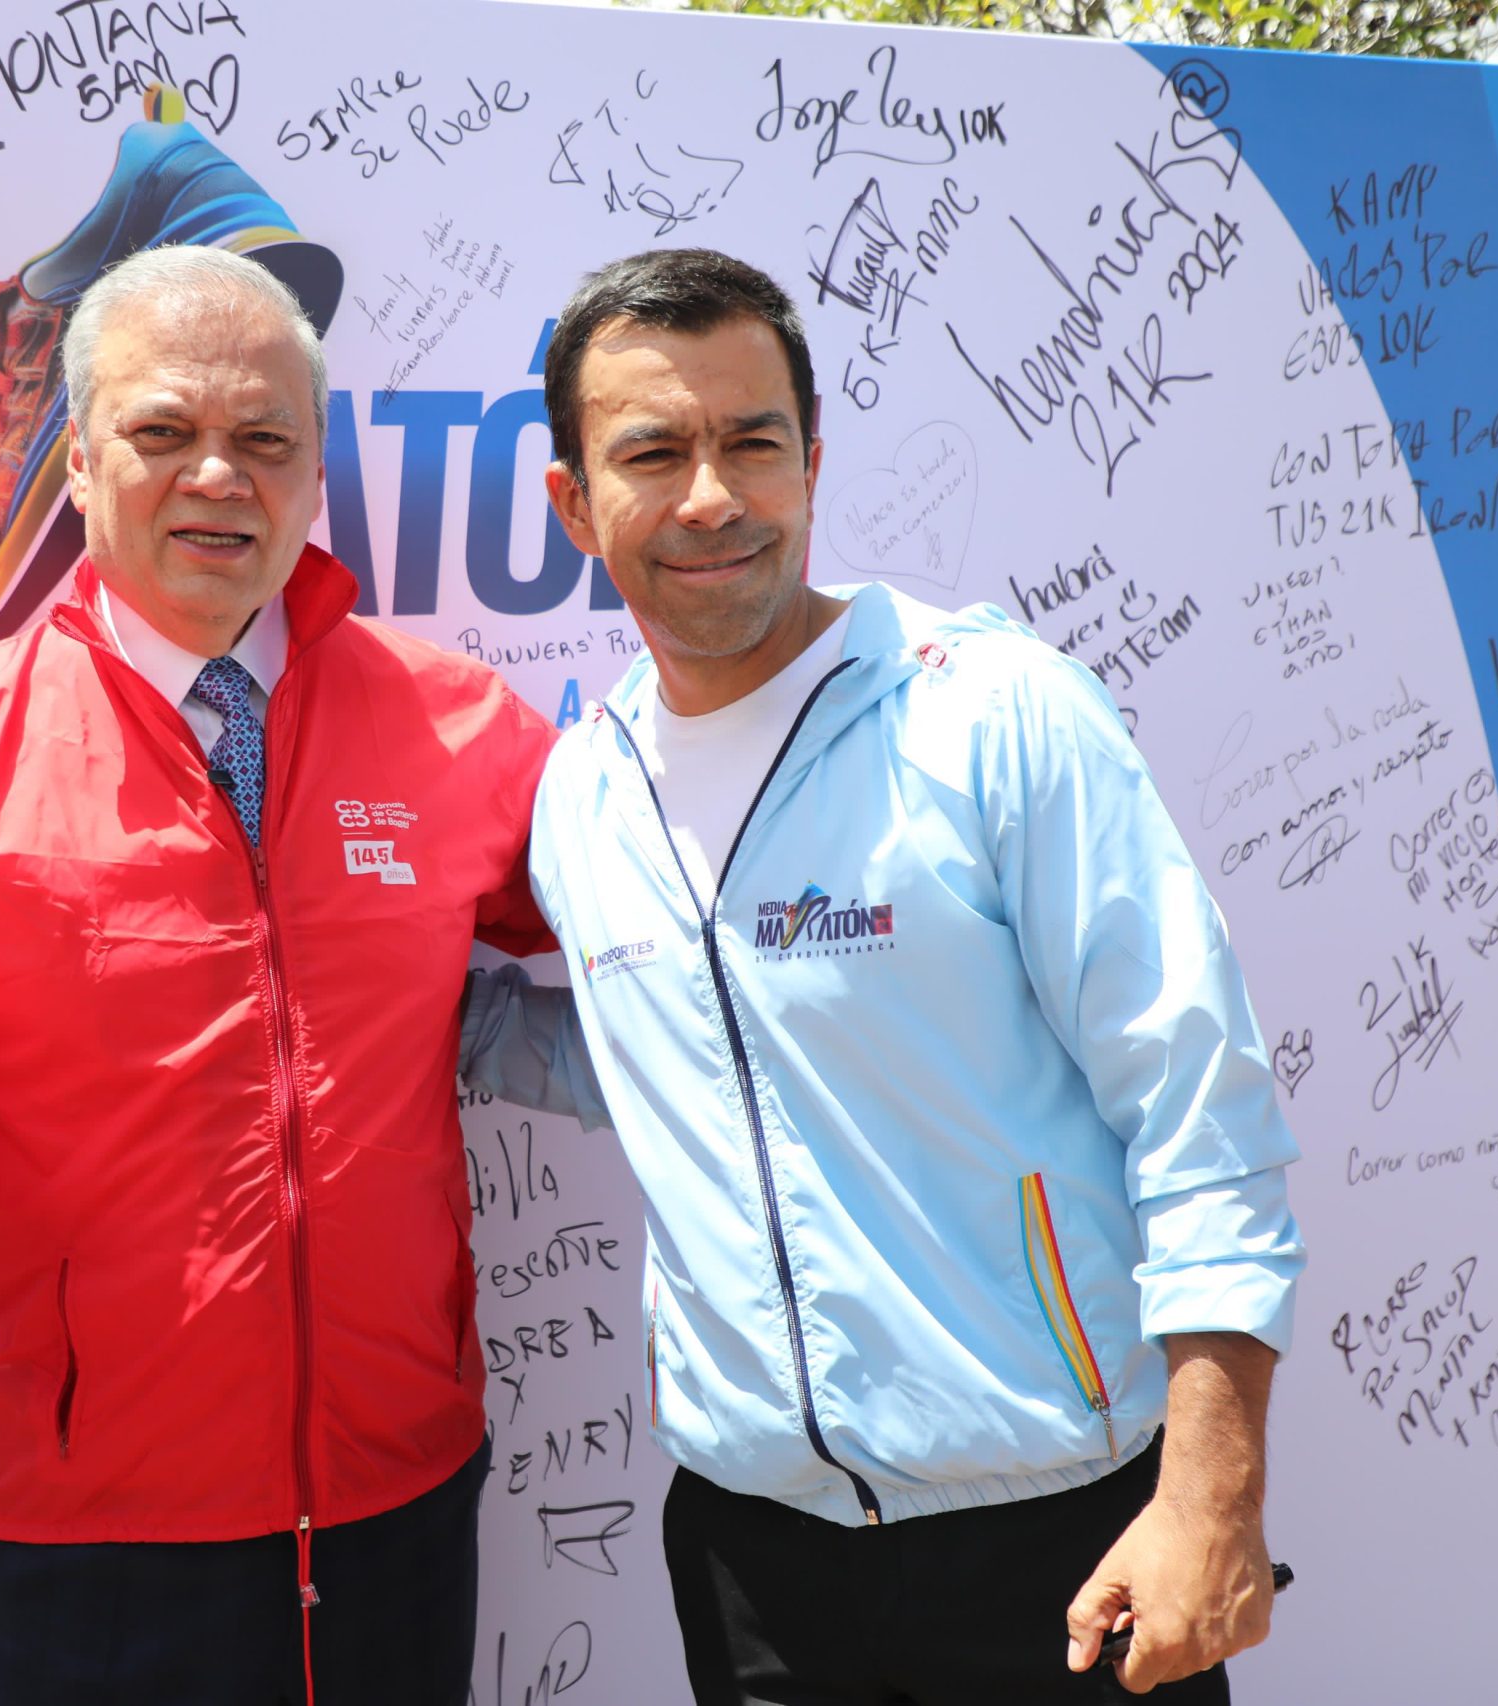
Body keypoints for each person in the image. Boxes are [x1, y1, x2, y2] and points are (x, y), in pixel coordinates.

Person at [0, 243, 558, 1706]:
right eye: (165, 433)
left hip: (398, 1507)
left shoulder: (460, 727)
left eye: (265, 439)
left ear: (314, 476)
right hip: (91, 1543)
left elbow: (663, 935)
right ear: (80, 464)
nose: (219, 475)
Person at [459, 248, 1306, 1702]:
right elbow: (681, 1052)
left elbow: (1198, 1103)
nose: (714, 495)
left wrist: (1211, 1496)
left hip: (1056, 1543)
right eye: (654, 452)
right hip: (750, 1563)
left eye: (753, 441)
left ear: (811, 460)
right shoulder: (579, 797)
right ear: (573, 504)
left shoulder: (989, 712)